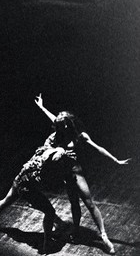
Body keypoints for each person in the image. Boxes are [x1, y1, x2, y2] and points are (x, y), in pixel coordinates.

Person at [35, 94, 131, 254]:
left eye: (60, 120)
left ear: (67, 124)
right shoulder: (60, 131)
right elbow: (51, 117)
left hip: (77, 175)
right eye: (57, 120)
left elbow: (98, 148)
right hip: (66, 176)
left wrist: (116, 161)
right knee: (73, 204)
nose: (57, 121)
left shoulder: (79, 136)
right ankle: (76, 230)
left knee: (89, 204)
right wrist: (41, 107)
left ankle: (104, 237)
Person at [0, 145, 74, 253]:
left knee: (7, 200)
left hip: (20, 179)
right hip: (27, 189)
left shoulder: (43, 153)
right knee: (50, 212)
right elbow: (46, 183)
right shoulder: (46, 170)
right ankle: (46, 243)